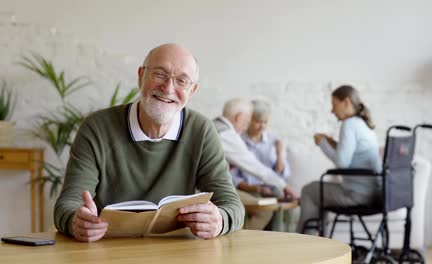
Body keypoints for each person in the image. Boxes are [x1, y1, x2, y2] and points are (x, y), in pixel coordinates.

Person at [54, 43, 244, 242]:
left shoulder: (201, 131)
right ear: (141, 75)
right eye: (160, 74)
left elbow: (232, 205)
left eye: (182, 80)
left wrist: (220, 220)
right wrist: (75, 221)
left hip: (177, 251)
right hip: (108, 250)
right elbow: (68, 203)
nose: (169, 88)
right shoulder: (97, 128)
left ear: (192, 91)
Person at [297, 85, 381, 233]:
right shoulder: (362, 124)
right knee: (318, 191)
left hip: (356, 195)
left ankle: (305, 243)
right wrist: (330, 141)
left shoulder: (349, 125)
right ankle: (318, 239)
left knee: (309, 190)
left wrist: (321, 143)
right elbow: (350, 153)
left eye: (334, 105)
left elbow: (342, 162)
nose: (332, 110)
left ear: (346, 102)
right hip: (373, 194)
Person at [229, 99, 292, 229]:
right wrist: (256, 189)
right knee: (266, 207)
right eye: (258, 122)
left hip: (270, 188)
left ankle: (277, 240)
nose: (262, 126)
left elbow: (282, 174)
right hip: (248, 189)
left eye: (265, 122)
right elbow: (232, 176)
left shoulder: (274, 141)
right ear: (248, 120)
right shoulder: (237, 141)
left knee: (280, 199)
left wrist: (281, 155)